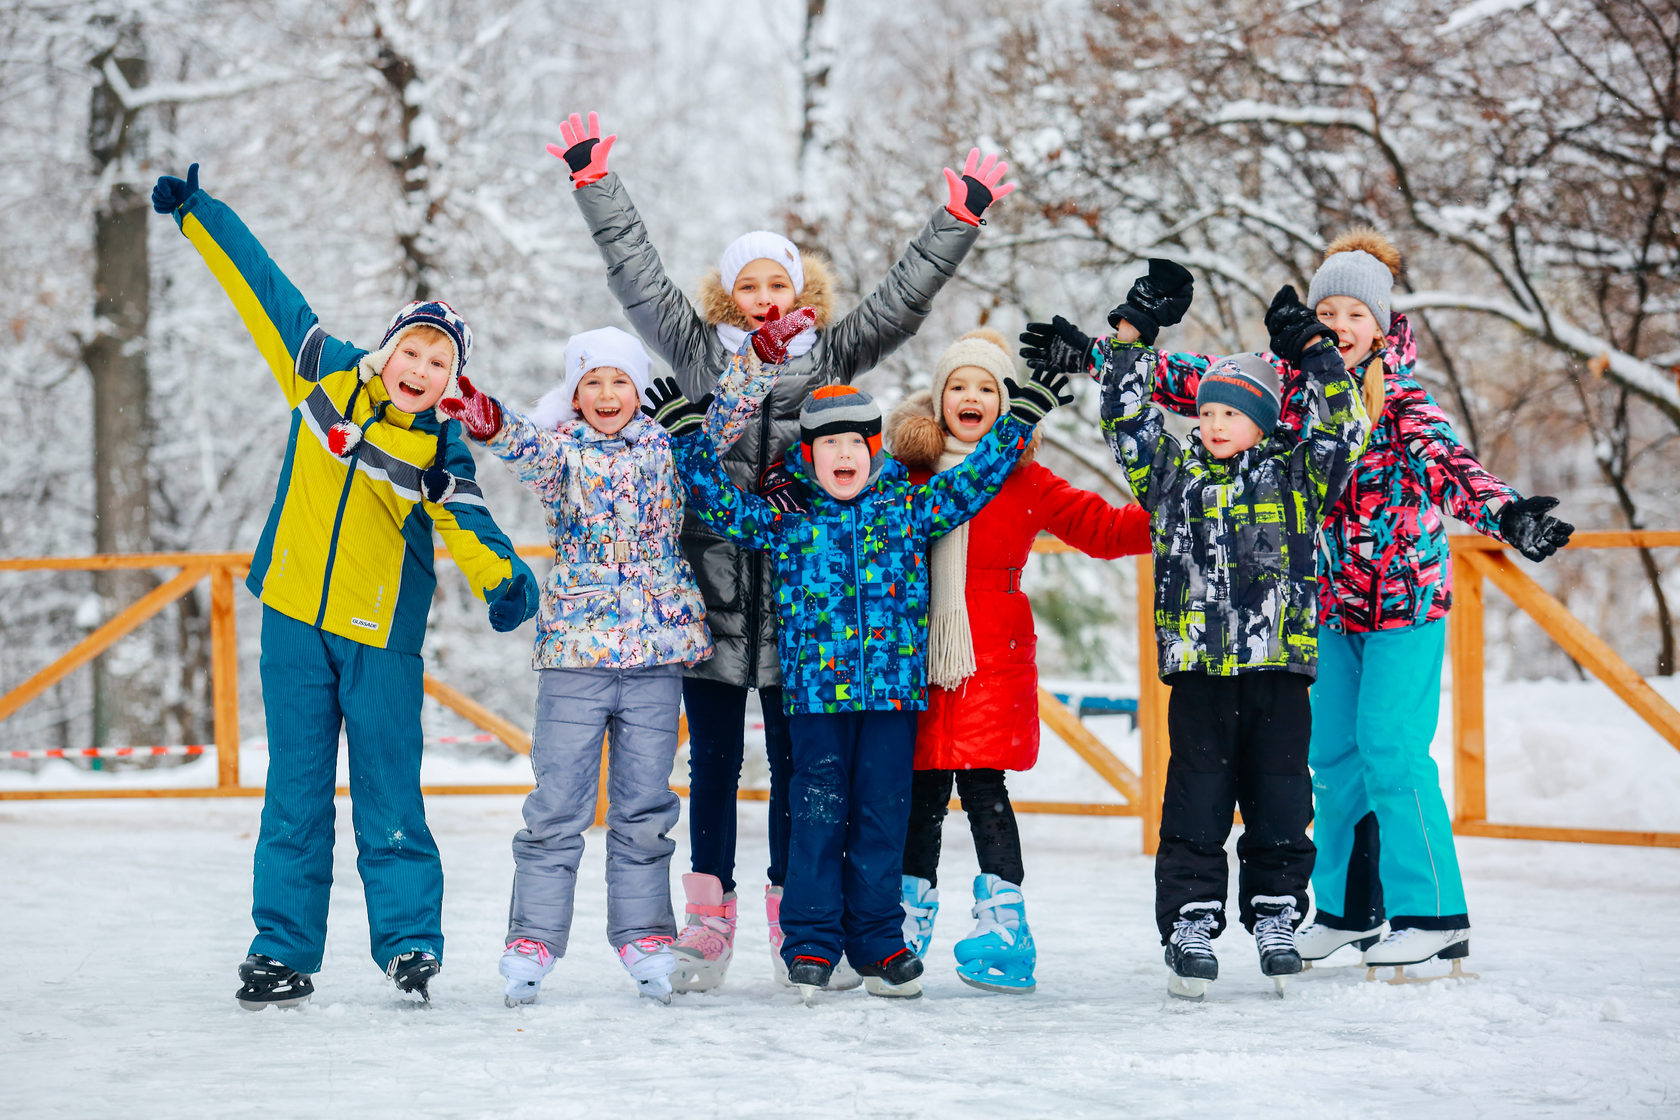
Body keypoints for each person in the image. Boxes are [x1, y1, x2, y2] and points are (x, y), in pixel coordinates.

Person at [551, 110, 1015, 986]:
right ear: (731, 295)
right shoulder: (697, 354)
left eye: (781, 283)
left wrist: (957, 222)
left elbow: (901, 304)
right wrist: (595, 186)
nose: (768, 299)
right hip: (714, 602)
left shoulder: (831, 352)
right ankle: (710, 916)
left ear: (802, 289)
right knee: (717, 764)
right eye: (752, 286)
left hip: (810, 614)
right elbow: (638, 281)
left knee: (810, 772)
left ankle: (792, 916)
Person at [1039, 231, 1576, 977]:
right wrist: (1096, 354)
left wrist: (1511, 515)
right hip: (1324, 608)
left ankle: (1433, 916)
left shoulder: (1404, 407)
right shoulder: (1287, 389)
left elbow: (1456, 471)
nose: (1343, 325)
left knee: (1390, 748)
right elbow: (1191, 380)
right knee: (1332, 757)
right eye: (1330, 310)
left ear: (1382, 326)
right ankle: (1349, 913)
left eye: (1357, 312)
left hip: (1404, 606)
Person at [151, 164, 537, 1010]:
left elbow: (469, 522)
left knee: (388, 790)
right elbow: (261, 285)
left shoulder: (439, 448)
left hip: (379, 637)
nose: (423, 367)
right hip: (290, 616)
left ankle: (407, 945)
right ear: (390, 346)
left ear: (450, 381)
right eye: (415, 349)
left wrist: (505, 579)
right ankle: (281, 949)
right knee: (293, 792)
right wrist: (199, 214)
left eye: (441, 363)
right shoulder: (321, 369)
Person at [645, 361, 1074, 1000]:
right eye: (829, 445)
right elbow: (720, 503)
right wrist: (686, 437)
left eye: (856, 443)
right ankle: (812, 942)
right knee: (817, 814)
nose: (843, 455)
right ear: (811, 455)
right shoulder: (786, 517)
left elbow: (977, 481)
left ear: (874, 451)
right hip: (816, 696)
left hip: (892, 695)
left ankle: (879, 940)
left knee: (882, 816)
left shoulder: (907, 507)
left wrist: (1021, 420)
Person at [1061, 285, 1370, 1000]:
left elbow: (1347, 426)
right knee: (1195, 798)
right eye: (1205, 411)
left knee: (1282, 797)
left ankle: (1274, 915)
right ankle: (1192, 920)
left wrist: (1317, 352)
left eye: (1233, 412)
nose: (1216, 423)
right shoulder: (1170, 476)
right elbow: (1126, 417)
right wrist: (1136, 331)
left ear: (1263, 421)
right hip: (1199, 668)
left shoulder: (1299, 476)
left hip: (1279, 669)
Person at [439, 327, 722, 1004]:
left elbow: (730, 417)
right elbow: (522, 445)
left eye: (619, 381)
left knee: (645, 807)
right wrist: (491, 417)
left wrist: (762, 360)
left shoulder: (671, 446)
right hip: (575, 653)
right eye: (591, 383)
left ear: (638, 390)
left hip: (656, 653)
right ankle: (533, 938)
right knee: (557, 804)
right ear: (574, 395)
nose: (606, 394)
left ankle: (645, 934)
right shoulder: (562, 454)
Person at [884, 327, 1154, 993]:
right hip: (913, 651)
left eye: (987, 387)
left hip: (990, 657)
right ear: (938, 398)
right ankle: (901, 926)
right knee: (918, 793)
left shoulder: (1025, 478)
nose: (971, 396)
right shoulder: (903, 476)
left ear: (1006, 404)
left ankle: (1005, 930)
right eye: (959, 385)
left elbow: (1104, 528)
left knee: (982, 789)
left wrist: (1182, 509)